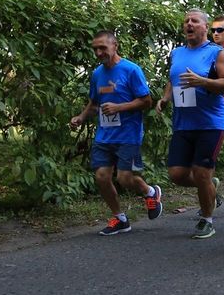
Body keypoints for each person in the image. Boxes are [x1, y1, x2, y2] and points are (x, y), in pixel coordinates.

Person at [69, 31, 163, 234]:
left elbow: (146, 101)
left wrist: (119, 107)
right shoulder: (97, 74)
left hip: (128, 134)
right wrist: (81, 117)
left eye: (102, 47)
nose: (98, 52)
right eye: (95, 49)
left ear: (115, 46)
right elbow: (94, 103)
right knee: (102, 177)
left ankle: (150, 192)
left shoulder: (131, 70)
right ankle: (119, 218)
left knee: (124, 179)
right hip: (105, 135)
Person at [155, 10, 224, 239]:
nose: (189, 24)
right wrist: (165, 98)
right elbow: (173, 78)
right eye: (186, 21)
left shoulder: (216, 53)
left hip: (210, 123)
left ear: (205, 27)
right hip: (183, 123)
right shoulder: (177, 53)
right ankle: (209, 186)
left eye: (194, 21)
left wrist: (203, 82)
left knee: (201, 172)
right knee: (176, 174)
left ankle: (207, 219)